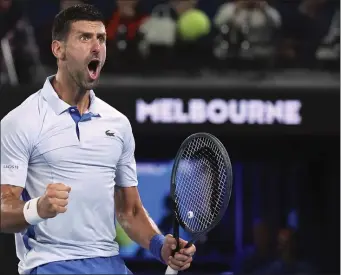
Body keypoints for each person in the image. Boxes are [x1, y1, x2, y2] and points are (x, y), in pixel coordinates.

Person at [0, 4, 196, 274]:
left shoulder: (118, 124)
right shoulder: (20, 121)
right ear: (59, 50)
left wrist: (160, 246)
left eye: (101, 38)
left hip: (109, 263)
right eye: (84, 38)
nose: (96, 47)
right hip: (50, 264)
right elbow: (3, 207)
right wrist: (37, 208)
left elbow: (130, 212)